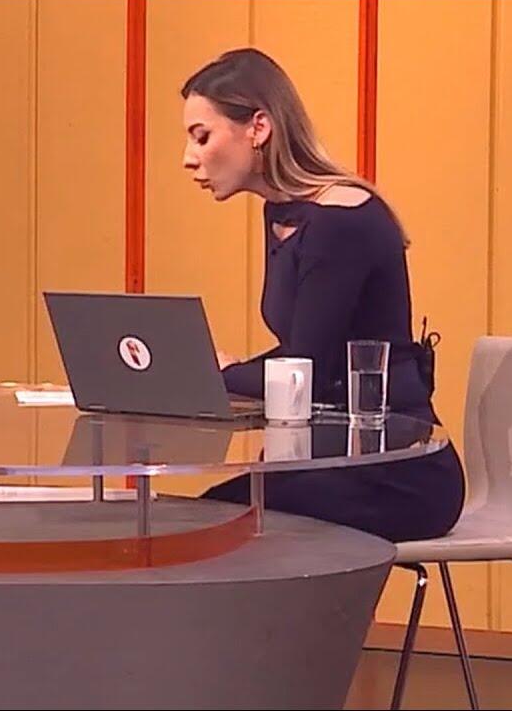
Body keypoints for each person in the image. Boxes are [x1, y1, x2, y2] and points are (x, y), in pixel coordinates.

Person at [182, 48, 464, 543]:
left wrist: (218, 376)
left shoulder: (340, 221)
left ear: (258, 128)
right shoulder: (283, 214)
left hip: (394, 471)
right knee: (204, 520)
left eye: (202, 137)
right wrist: (224, 374)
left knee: (210, 525)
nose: (189, 158)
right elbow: (311, 354)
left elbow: (306, 371)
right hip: (333, 456)